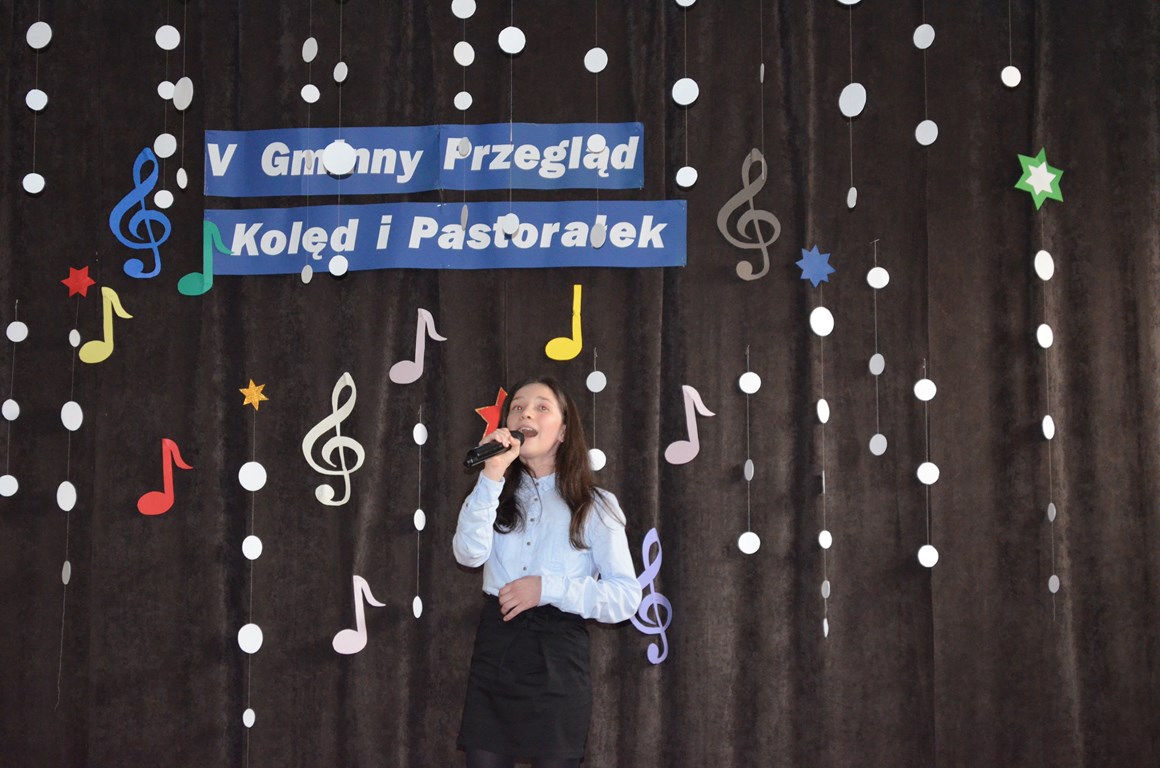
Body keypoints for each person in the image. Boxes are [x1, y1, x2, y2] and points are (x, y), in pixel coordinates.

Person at [453, 376, 643, 768]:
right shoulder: (492, 492)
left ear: (563, 432)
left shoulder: (595, 504)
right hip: (497, 647)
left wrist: (548, 588)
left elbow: (626, 598)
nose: (526, 414)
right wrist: (491, 474)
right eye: (517, 407)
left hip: (558, 654)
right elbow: (468, 555)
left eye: (541, 407)